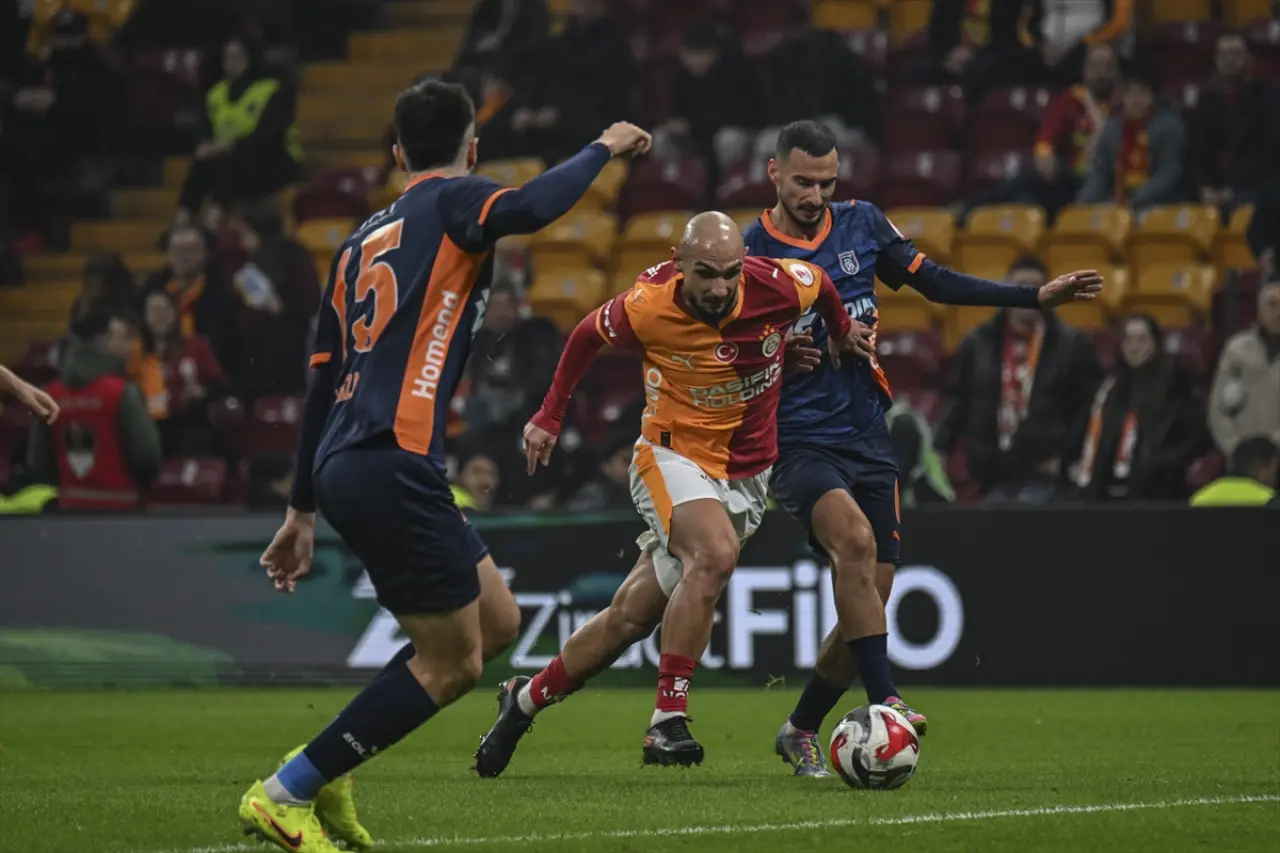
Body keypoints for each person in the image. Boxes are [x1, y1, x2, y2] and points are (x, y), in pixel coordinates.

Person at [239, 78, 650, 853]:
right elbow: (529, 208)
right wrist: (606, 146)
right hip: (390, 458)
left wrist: (300, 508)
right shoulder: (454, 200)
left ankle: (324, 766)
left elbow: (321, 382)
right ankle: (286, 791)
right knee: (454, 662)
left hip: (351, 460)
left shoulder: (355, 244)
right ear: (473, 148)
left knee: (497, 621)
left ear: (397, 153)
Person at [738, 123, 1100, 777]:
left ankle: (800, 727)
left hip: (867, 433)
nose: (816, 196)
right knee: (854, 543)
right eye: (803, 183)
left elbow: (934, 281)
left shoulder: (863, 223)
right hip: (796, 439)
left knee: (867, 602)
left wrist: (1031, 297)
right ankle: (889, 700)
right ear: (773, 173)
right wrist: (781, 351)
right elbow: (724, 352)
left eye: (827, 182)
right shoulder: (750, 252)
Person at [474, 211, 868, 776]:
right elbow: (586, 335)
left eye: (730, 274)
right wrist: (550, 414)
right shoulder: (648, 304)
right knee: (714, 555)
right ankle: (667, 719)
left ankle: (525, 699)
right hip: (671, 454)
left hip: (746, 473)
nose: (720, 288)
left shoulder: (781, 284)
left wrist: (837, 331)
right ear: (679, 264)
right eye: (706, 274)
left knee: (629, 619)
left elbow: (825, 286)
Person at [938, 257, 1102, 505]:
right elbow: (958, 399)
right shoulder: (977, 342)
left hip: (1044, 471)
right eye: (1020, 286)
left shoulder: (1072, 346)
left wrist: (1067, 458)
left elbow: (1085, 409)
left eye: (1035, 287)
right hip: (989, 471)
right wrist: (941, 447)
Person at [25, 309, 161, 511]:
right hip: (122, 510)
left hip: (69, 508)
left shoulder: (49, 396)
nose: (131, 346)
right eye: (123, 338)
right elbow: (147, 457)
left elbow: (38, 462)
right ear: (103, 341)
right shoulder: (122, 393)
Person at [1070, 314, 1206, 501]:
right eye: (1128, 339)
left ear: (1155, 344)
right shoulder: (1109, 388)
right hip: (1105, 491)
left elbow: (1194, 437)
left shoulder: (1175, 385)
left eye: (1142, 339)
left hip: (1154, 492)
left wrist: (1161, 464)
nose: (1134, 346)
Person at [177, 35, 301, 230]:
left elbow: (268, 136)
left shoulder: (272, 90)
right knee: (202, 164)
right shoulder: (216, 93)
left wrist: (229, 146)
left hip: (275, 158)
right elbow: (204, 129)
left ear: (251, 57)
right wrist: (204, 144)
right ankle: (182, 219)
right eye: (227, 57)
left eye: (237, 56)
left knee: (235, 164)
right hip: (231, 159)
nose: (231, 62)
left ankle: (212, 223)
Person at [230, 206, 321, 398]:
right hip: (254, 353)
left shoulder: (295, 255)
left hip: (291, 348)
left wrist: (282, 308)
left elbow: (310, 302)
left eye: (245, 234)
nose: (242, 242)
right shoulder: (246, 263)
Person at [130, 289, 230, 456]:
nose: (159, 316)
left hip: (189, 425)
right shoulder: (136, 353)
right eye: (153, 311)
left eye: (164, 310)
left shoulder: (196, 346)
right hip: (148, 428)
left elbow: (221, 384)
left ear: (175, 314)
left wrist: (202, 391)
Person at [1190, 32, 1280, 213]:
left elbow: (1269, 153)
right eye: (1222, 54)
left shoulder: (1269, 96)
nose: (1229, 60)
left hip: (1256, 184)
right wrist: (1204, 186)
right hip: (1213, 186)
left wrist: (1232, 188)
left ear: (1250, 58)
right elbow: (1195, 151)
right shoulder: (1207, 98)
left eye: (1235, 53)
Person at [142, 224, 240, 380]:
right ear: (168, 255)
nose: (185, 257)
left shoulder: (223, 292)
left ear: (205, 253)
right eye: (178, 251)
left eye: (191, 250)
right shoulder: (152, 290)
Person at [1077, 72, 1186, 209]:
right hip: (1117, 200)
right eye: (1130, 94)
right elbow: (1100, 173)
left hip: (1160, 202)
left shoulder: (1169, 128)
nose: (1136, 101)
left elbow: (1169, 173)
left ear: (1152, 98)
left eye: (1141, 94)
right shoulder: (1112, 128)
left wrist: (1137, 199)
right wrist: (1084, 202)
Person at [1209, 279, 1280, 455]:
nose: (1278, 312)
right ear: (1259, 310)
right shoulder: (1236, 349)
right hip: (1240, 453)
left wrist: (1271, 452)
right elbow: (1218, 410)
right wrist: (1236, 449)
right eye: (1272, 304)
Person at [1189, 436, 1278, 506]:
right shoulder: (1271, 501)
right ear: (1260, 467)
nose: (1275, 477)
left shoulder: (1198, 499)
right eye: (1274, 469)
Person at [69, 251, 135, 332]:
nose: (92, 284)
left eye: (96, 279)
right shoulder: (81, 306)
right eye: (90, 279)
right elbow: (75, 332)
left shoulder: (126, 306)